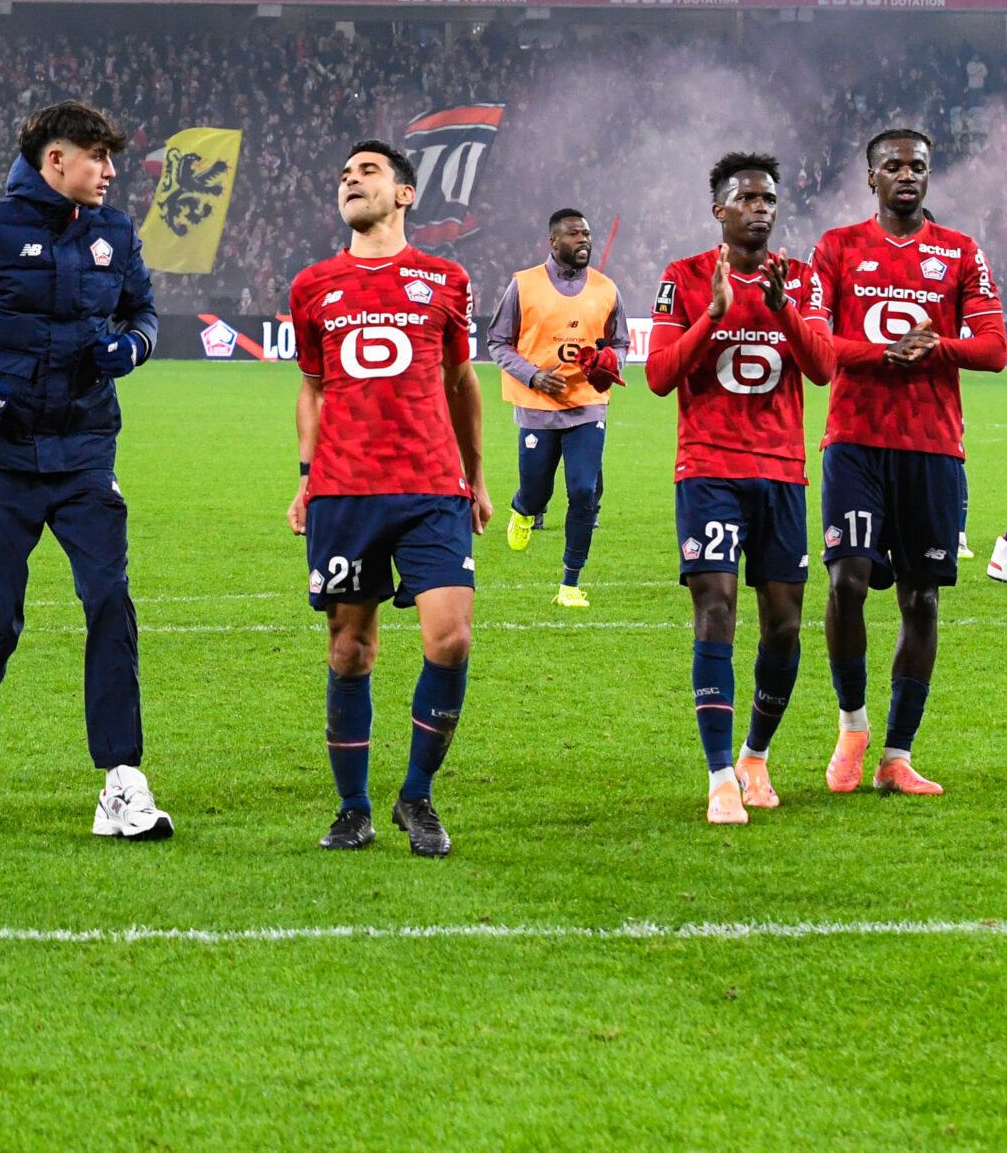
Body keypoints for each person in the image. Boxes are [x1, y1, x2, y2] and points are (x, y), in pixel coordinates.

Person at [0, 102, 171, 841]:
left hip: (83, 452)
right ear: (56, 160)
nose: (110, 172)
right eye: (97, 157)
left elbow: (144, 313)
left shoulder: (115, 233)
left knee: (111, 600)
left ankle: (122, 782)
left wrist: (132, 349)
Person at [285, 140, 489, 858]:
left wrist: (478, 477)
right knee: (350, 651)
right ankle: (353, 807)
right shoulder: (313, 285)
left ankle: (417, 796)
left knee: (451, 637)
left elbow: (462, 382)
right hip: (345, 488)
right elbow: (311, 387)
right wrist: (308, 474)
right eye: (344, 173)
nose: (350, 180)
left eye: (367, 172)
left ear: (405, 194)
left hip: (432, 484)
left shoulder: (445, 278)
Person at [806, 129, 1005, 796]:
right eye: (893, 166)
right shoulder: (836, 248)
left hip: (932, 447)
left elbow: (996, 347)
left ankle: (896, 756)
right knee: (847, 584)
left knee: (922, 598)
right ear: (871, 177)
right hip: (856, 440)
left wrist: (937, 346)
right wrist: (879, 354)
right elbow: (816, 344)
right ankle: (853, 724)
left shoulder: (960, 251)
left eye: (918, 165)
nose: (907, 175)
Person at [642, 154, 830, 823]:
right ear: (719, 209)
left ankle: (755, 755)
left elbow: (823, 368)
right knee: (716, 606)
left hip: (780, 472)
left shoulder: (800, 280)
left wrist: (784, 312)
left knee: (783, 624)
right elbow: (660, 375)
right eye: (747, 198)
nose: (761, 208)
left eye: (769, 198)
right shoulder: (684, 278)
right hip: (709, 468)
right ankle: (720, 774)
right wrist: (713, 315)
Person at [487, 209, 627, 609]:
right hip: (537, 407)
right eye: (573, 235)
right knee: (536, 492)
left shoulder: (606, 289)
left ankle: (570, 583)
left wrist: (610, 364)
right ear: (553, 241)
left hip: (587, 406)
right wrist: (532, 376)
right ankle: (524, 510)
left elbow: (619, 344)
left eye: (586, 234)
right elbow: (497, 342)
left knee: (584, 491)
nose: (583, 240)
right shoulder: (523, 285)